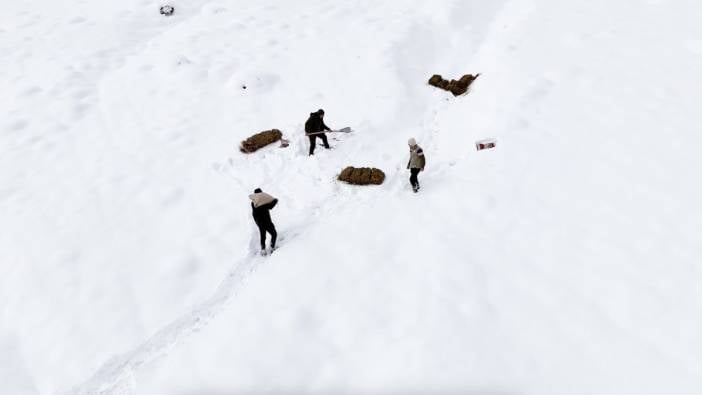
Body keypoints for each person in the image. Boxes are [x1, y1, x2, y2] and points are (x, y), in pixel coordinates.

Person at [249, 188, 278, 255]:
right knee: (274, 234)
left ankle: (263, 249)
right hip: (266, 221)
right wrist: (275, 201)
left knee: (263, 235)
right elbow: (270, 206)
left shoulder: (253, 203)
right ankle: (272, 248)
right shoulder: (261, 202)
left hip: (259, 222)